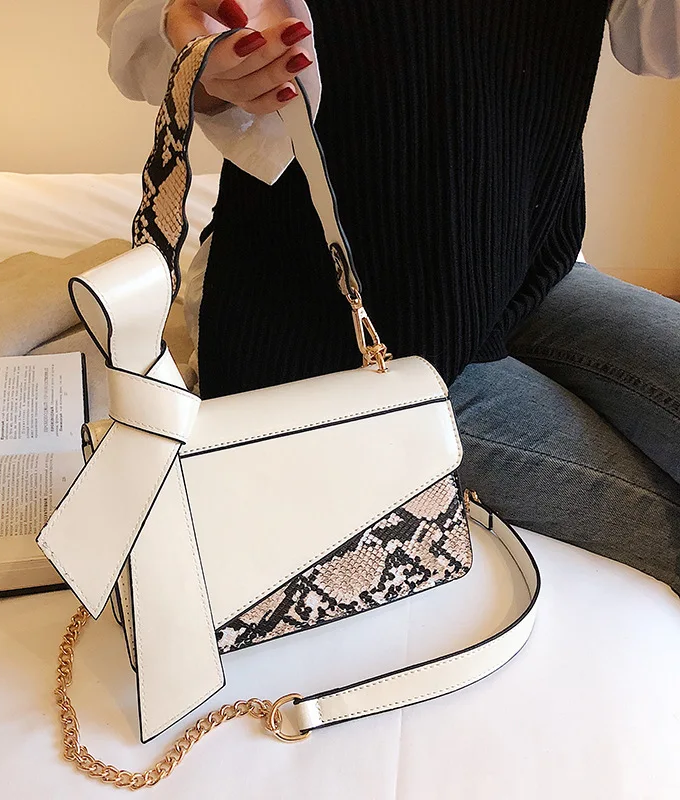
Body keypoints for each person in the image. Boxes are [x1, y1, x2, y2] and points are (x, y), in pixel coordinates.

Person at [98, 0, 680, 595]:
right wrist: (204, 57)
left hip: (530, 265)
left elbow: (656, 37)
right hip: (326, 324)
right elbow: (155, 34)